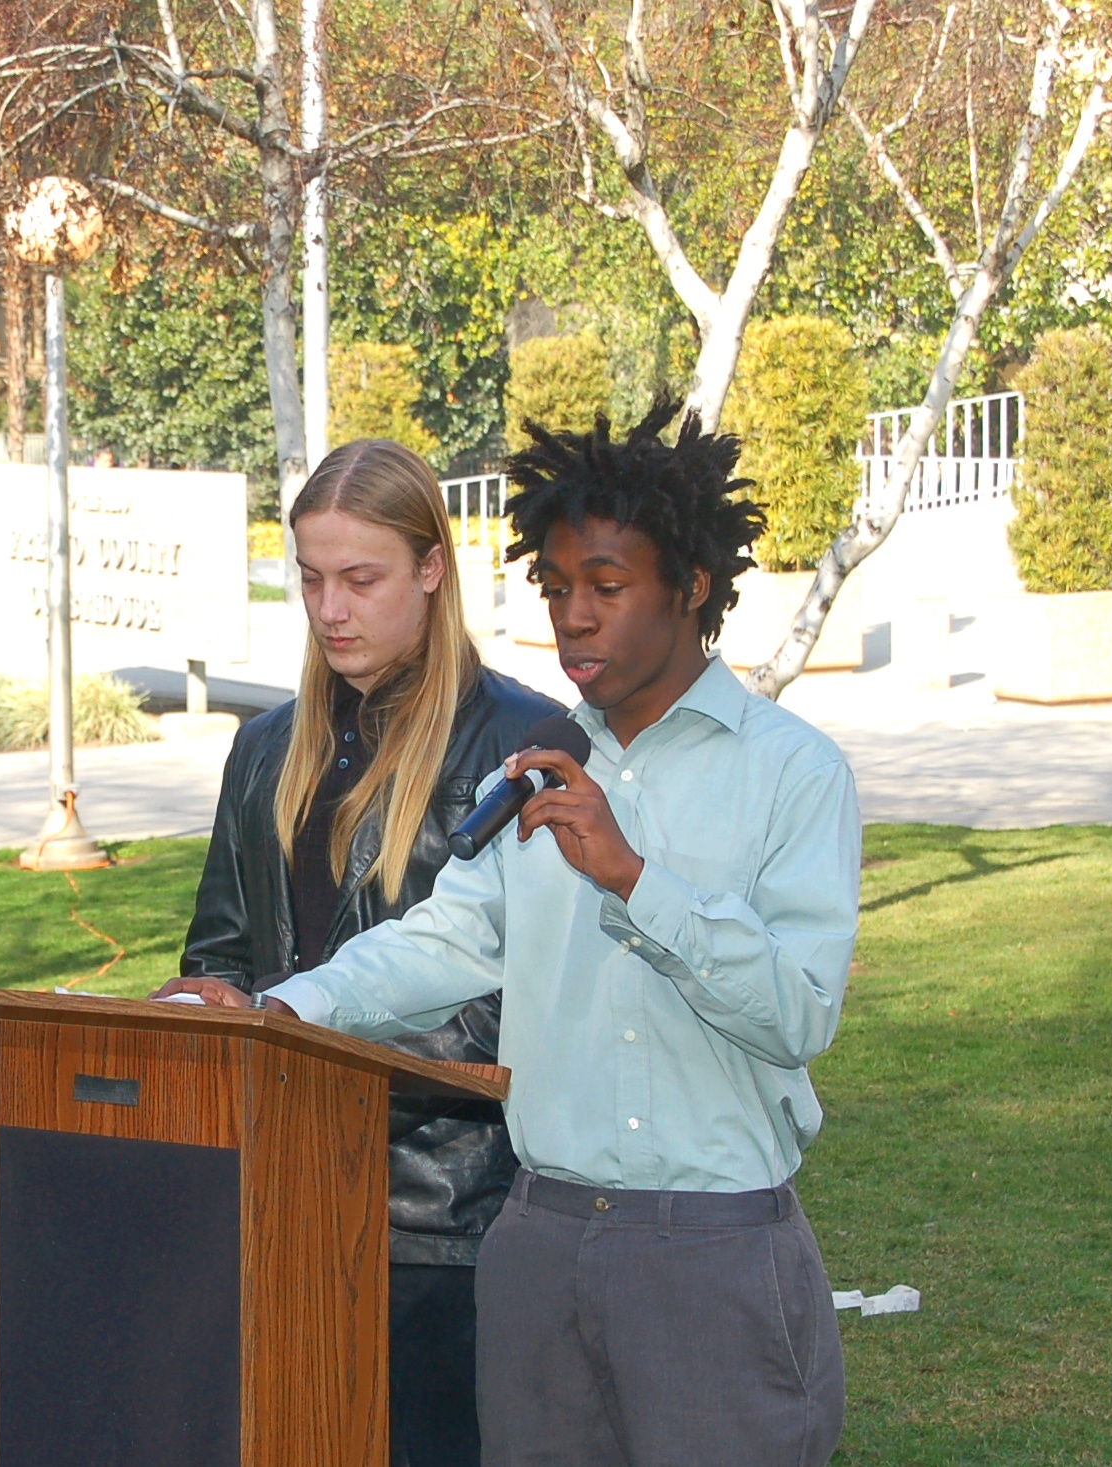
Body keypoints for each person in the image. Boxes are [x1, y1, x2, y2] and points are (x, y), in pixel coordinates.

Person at [162, 408, 861, 1467]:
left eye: (606, 587)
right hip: (536, 1243)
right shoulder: (533, 768)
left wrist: (634, 879)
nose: (574, 618)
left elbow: (796, 1016)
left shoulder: (793, 772)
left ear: (691, 587)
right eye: (556, 588)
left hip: (710, 1246)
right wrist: (273, 1009)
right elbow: (437, 941)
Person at [164, 438, 561, 1467]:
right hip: (274, 1187)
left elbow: (524, 999)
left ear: (430, 568)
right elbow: (220, 950)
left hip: (444, 1213)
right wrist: (198, 1007)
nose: (329, 608)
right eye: (309, 579)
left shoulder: (523, 742)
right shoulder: (264, 746)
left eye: (359, 579)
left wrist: (301, 1035)